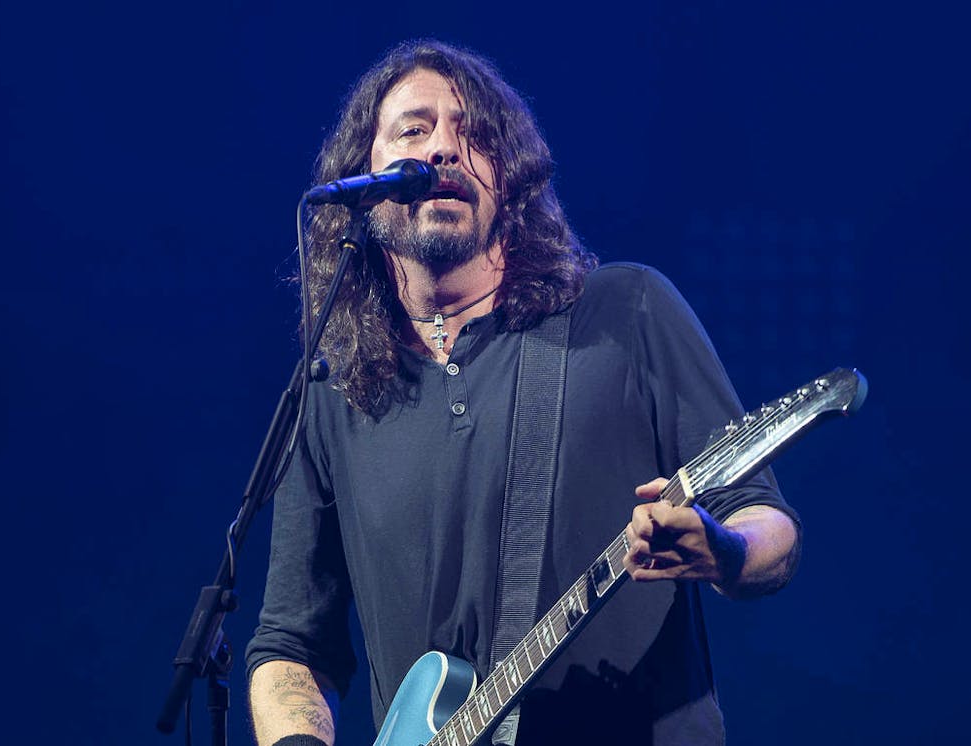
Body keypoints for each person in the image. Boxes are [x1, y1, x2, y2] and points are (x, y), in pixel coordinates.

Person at [245, 39, 801, 746]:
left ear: (509, 181)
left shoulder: (623, 315)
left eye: (474, 133)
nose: (445, 148)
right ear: (363, 180)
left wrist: (722, 550)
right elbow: (292, 644)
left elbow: (768, 524)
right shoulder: (333, 391)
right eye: (414, 130)